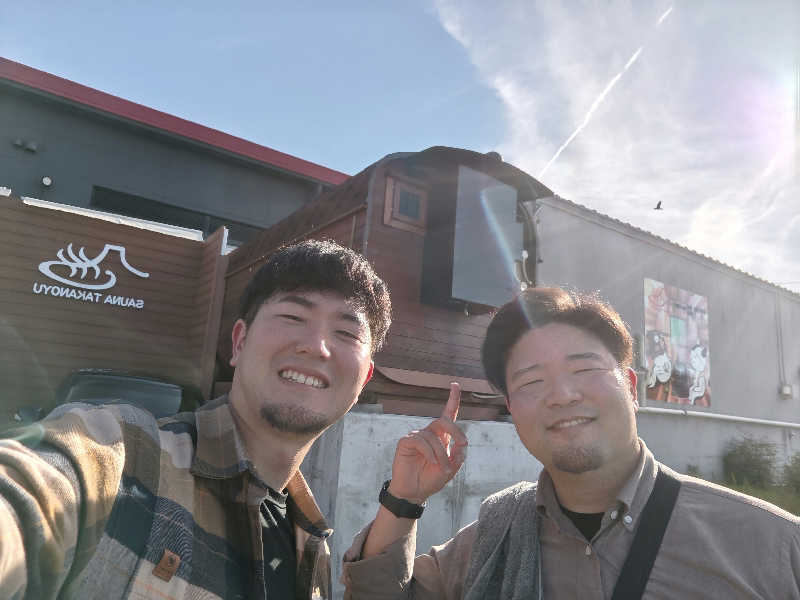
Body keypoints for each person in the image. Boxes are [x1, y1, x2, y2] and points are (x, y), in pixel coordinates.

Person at [341, 286, 800, 599]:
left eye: (584, 370)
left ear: (632, 386)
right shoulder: (491, 540)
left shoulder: (771, 545)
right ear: (512, 409)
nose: (562, 395)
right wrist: (404, 498)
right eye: (532, 380)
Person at [0, 239, 391, 600]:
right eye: (292, 316)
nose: (317, 346)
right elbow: (32, 491)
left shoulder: (311, 544)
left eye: (346, 332)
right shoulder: (125, 453)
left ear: (364, 379)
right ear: (238, 342)